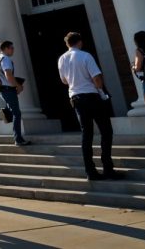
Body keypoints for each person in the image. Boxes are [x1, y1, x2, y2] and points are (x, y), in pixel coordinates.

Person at [57, 32, 123, 181]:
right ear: (79, 42)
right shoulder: (85, 56)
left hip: (75, 97)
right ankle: (107, 167)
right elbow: (97, 78)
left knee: (86, 134)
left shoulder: (62, 59)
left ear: (67, 44)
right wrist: (101, 91)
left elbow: (64, 81)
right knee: (106, 130)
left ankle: (90, 171)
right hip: (91, 96)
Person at [0, 40, 31, 146]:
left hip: (4, 89)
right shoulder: (5, 59)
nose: (13, 50)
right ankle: (18, 139)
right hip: (7, 89)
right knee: (16, 113)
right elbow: (8, 75)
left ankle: (18, 137)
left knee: (12, 111)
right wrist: (18, 85)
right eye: (11, 48)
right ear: (6, 48)